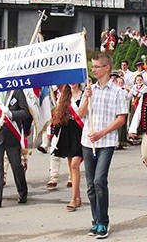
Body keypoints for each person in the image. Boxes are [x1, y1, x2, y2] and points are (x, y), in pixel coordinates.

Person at [78, 52, 128, 239]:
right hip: (87, 140)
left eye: (97, 66)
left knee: (100, 180)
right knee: (91, 184)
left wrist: (102, 133)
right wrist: (86, 98)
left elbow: (121, 118)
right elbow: (81, 114)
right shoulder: (90, 90)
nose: (93, 70)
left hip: (105, 142)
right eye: (93, 66)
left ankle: (104, 221)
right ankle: (96, 221)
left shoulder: (117, 92)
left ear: (107, 68)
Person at [0, 90, 32, 208]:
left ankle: (22, 192)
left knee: (16, 165)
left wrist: (11, 115)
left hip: (12, 134)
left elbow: (25, 112)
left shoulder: (16, 91)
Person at [51, 83, 84, 211]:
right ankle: (78, 197)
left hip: (80, 131)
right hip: (67, 131)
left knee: (75, 164)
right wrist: (54, 134)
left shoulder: (84, 95)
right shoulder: (64, 96)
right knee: (71, 165)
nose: (72, 82)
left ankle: (73, 199)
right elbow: (59, 116)